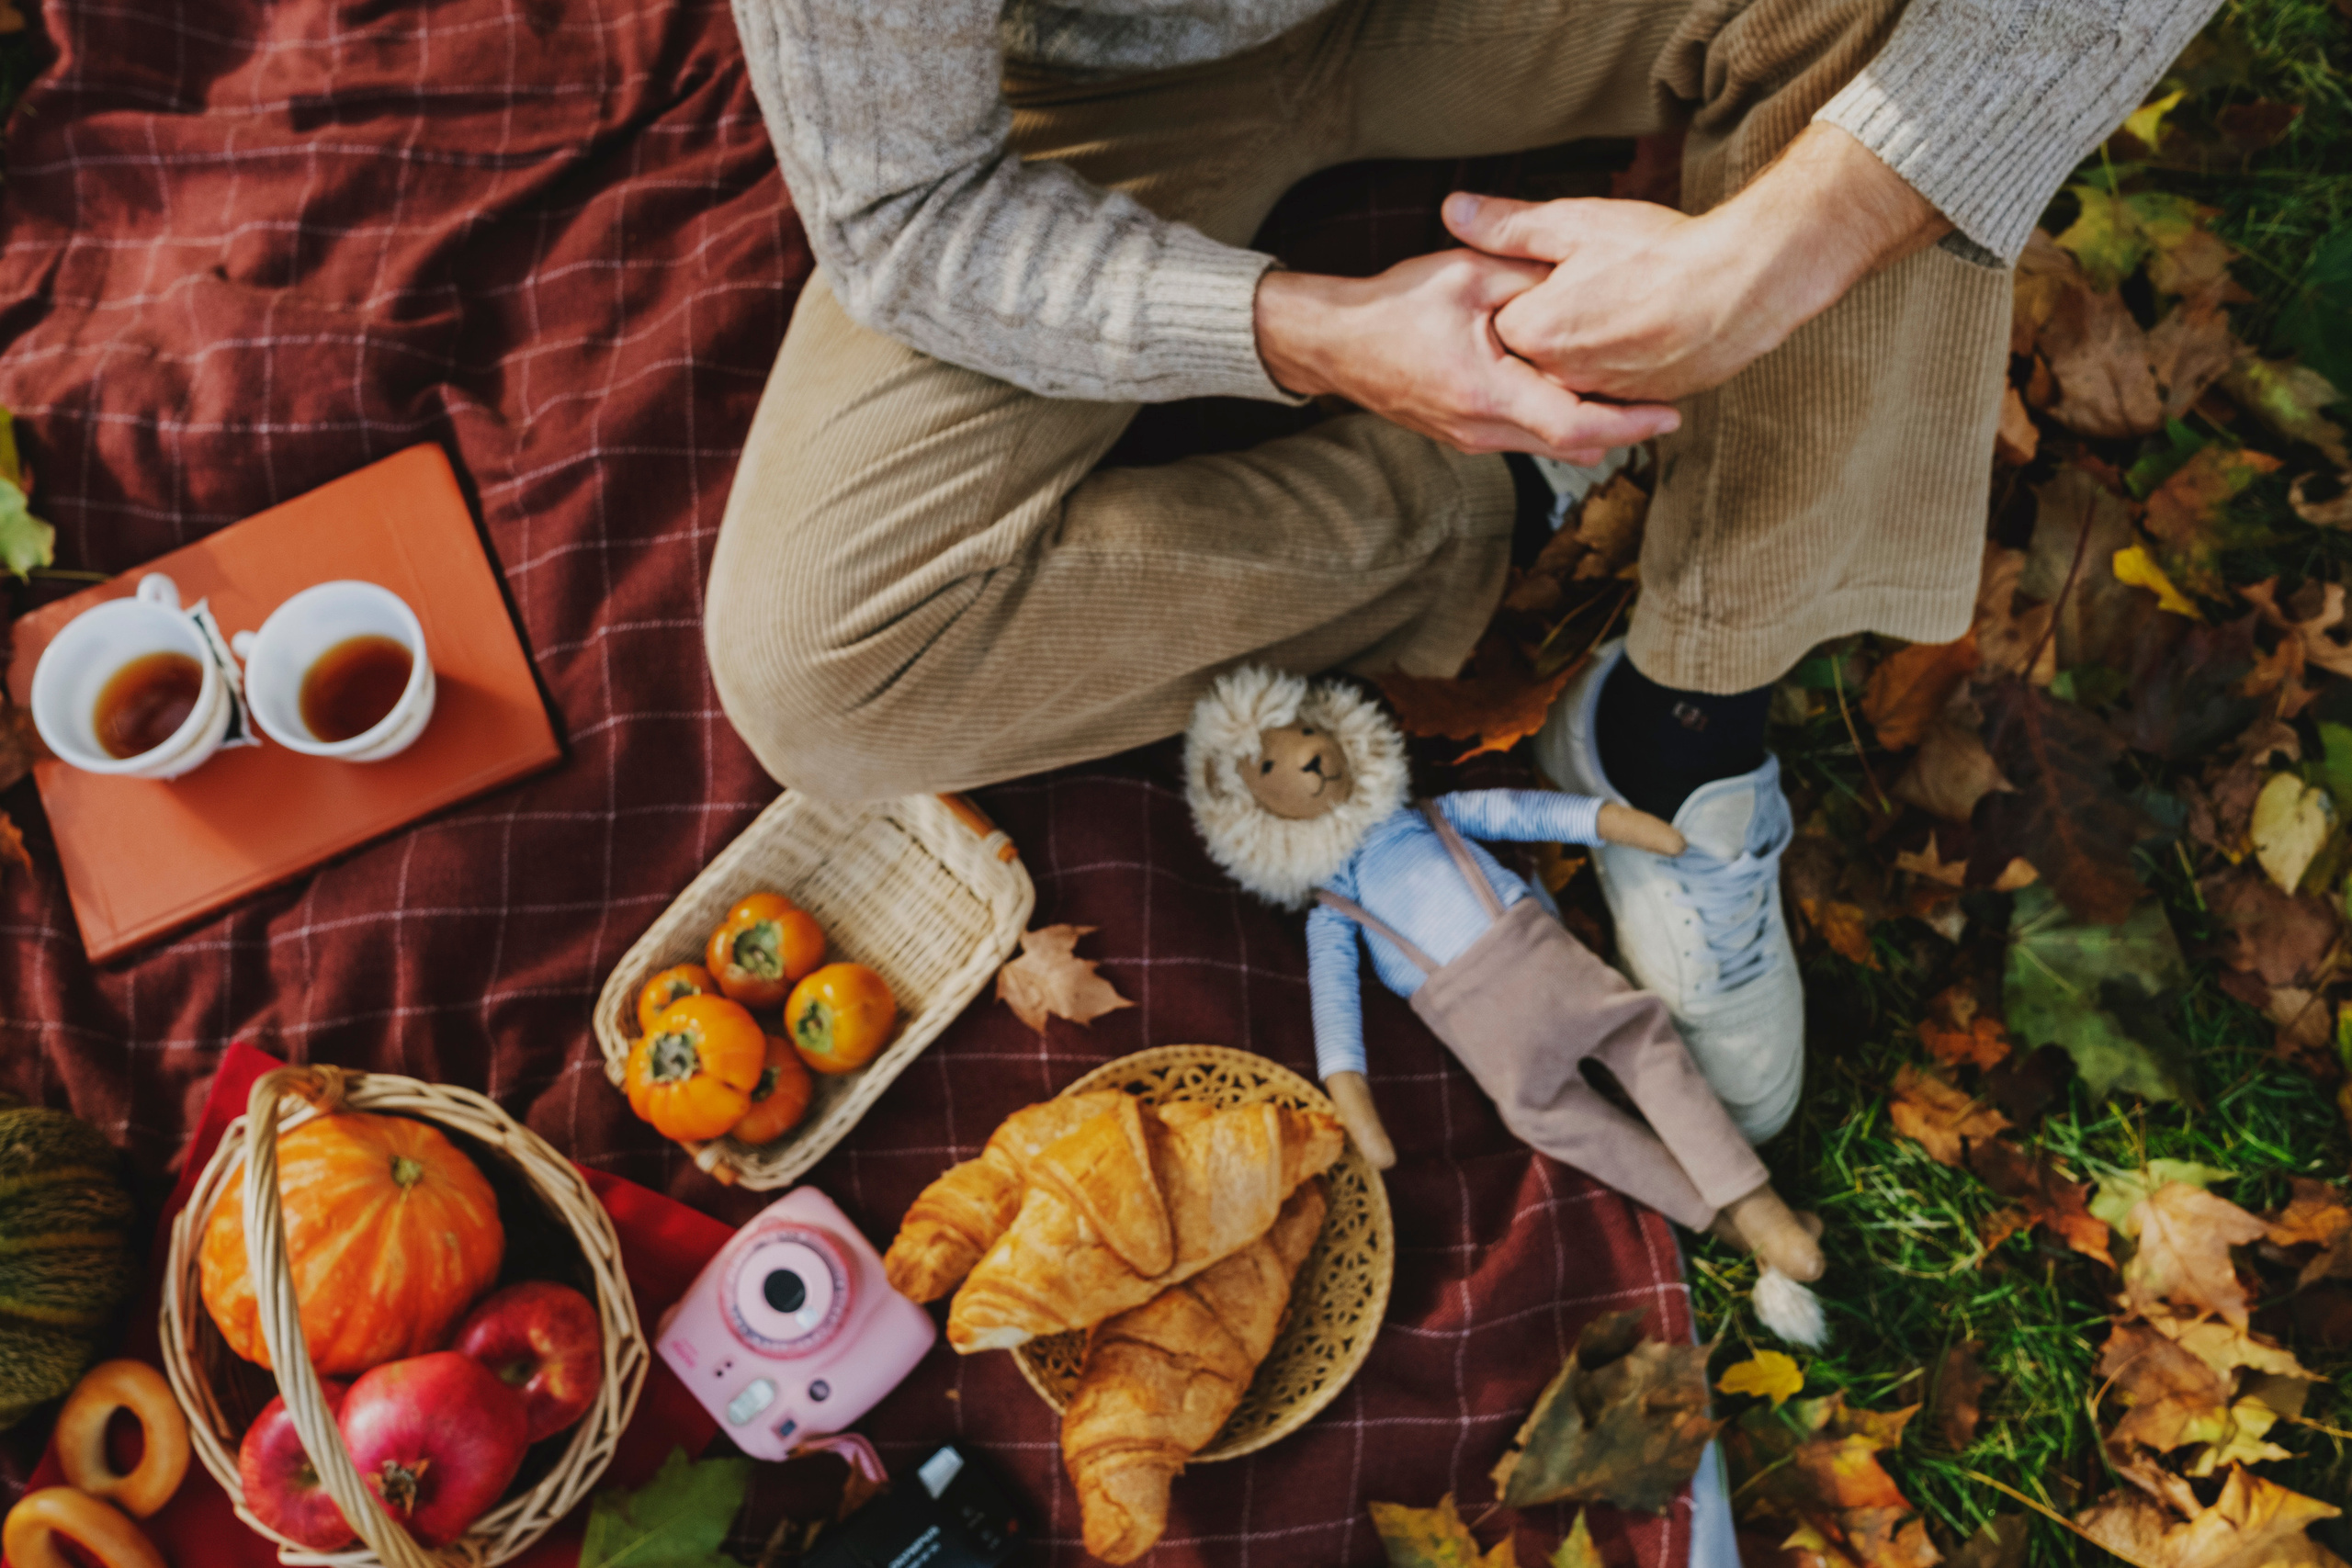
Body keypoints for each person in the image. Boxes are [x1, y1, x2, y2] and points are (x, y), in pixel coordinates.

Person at [707, 0, 2221, 1141]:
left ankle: (1686, 722)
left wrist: (1795, 240)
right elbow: (906, 211)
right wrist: (1301, 331)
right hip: (1096, 76)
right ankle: (1508, 478)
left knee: (1907, 46)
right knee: (826, 664)